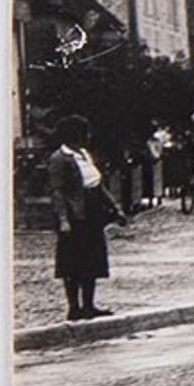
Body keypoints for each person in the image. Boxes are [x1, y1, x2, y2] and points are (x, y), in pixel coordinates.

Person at [47, 113, 128, 321]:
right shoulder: (59, 159)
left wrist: (115, 208)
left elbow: (97, 183)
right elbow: (57, 191)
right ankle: (74, 307)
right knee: (72, 262)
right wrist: (63, 219)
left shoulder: (84, 154)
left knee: (92, 259)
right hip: (75, 214)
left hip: (92, 212)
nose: (89, 137)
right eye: (85, 133)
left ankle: (89, 304)